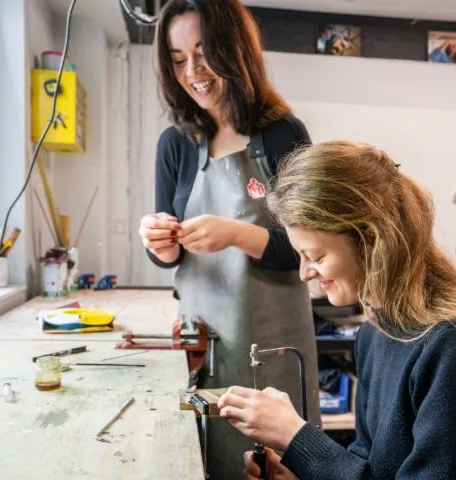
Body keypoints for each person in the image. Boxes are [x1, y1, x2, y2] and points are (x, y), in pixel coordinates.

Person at [218, 140, 456, 479]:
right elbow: (369, 462)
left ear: (370, 241)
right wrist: (299, 471)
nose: (304, 273)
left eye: (317, 256)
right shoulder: (374, 333)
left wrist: (298, 438)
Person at [137, 0, 321, 477]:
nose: (193, 72)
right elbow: (170, 256)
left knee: (276, 466)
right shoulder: (175, 144)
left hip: (274, 349)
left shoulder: (282, 135)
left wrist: (238, 234)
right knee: (208, 460)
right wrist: (160, 242)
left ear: (234, 49)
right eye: (178, 59)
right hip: (205, 347)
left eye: (204, 53)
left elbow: (309, 249)